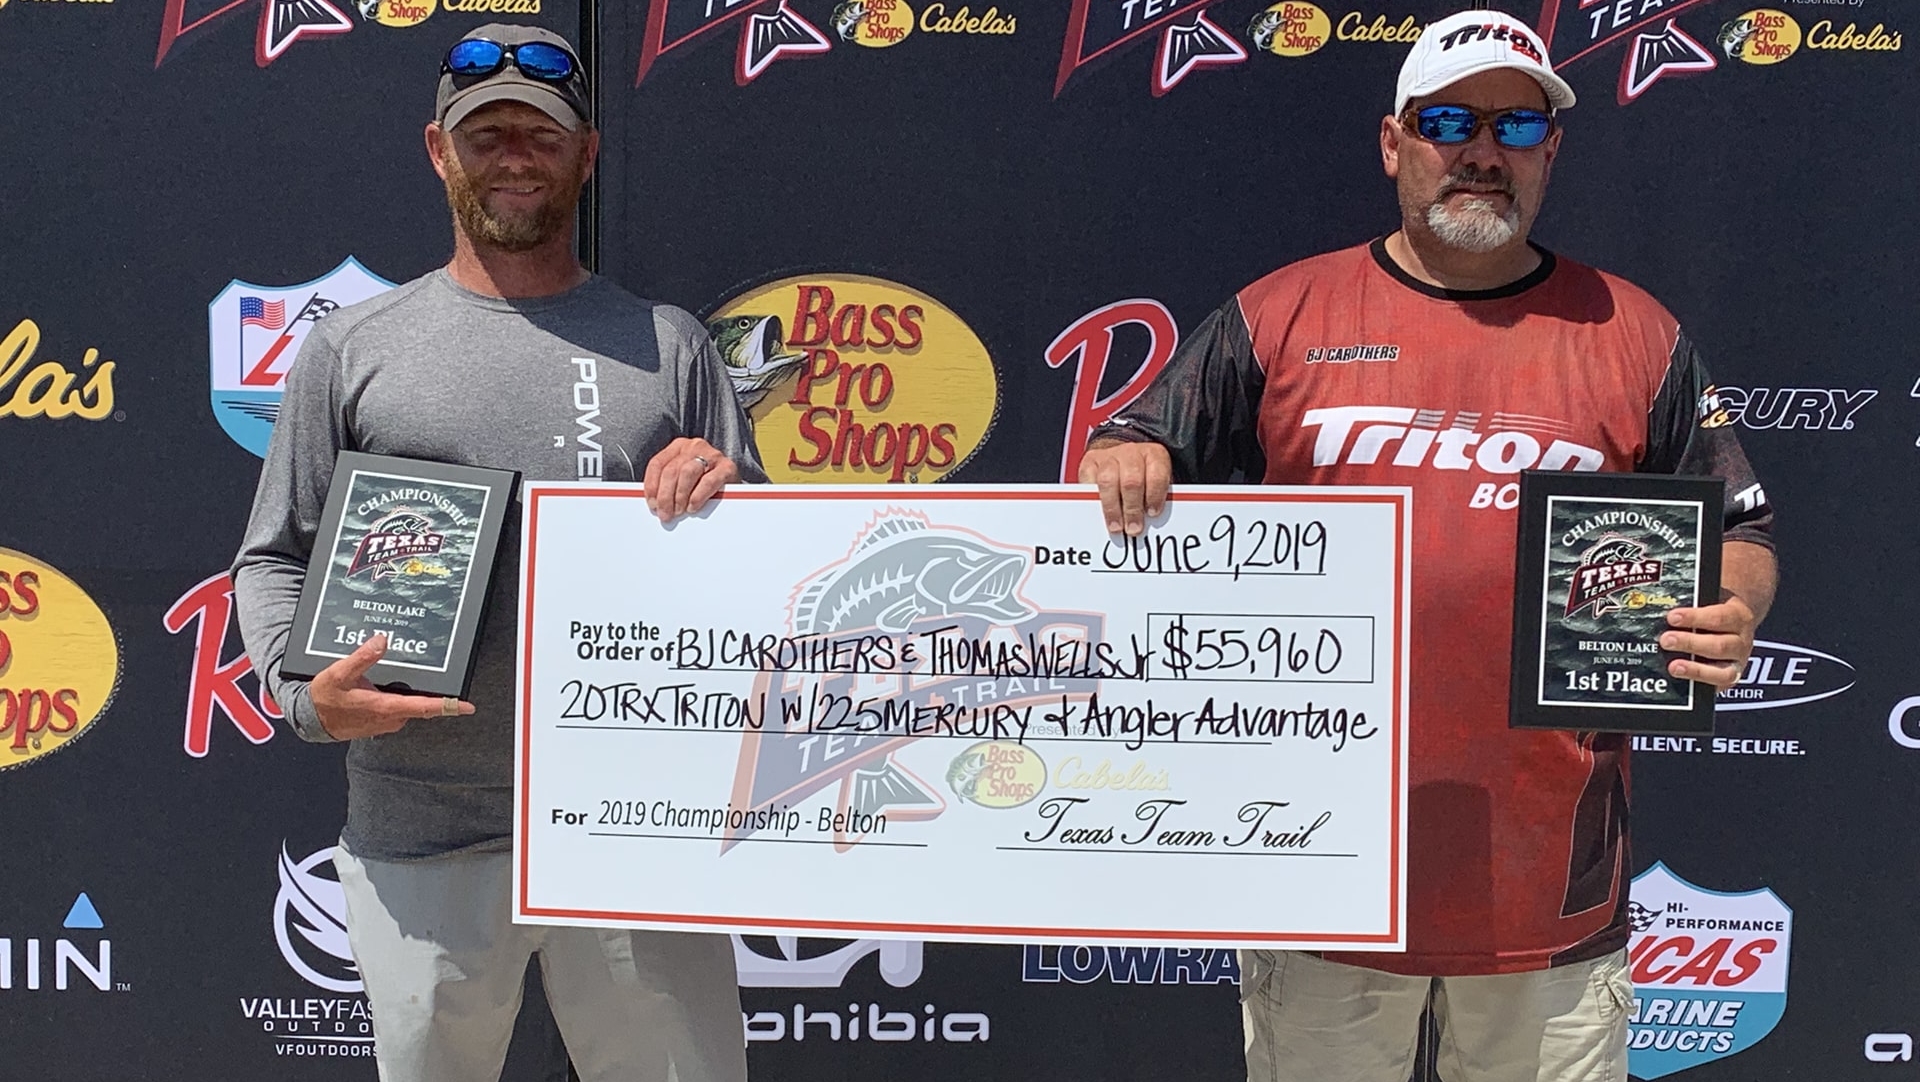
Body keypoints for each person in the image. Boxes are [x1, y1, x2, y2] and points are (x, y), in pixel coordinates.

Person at [1078, 9, 1776, 1081]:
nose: (1484, 151)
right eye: (1450, 122)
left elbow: (1736, 528)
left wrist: (1731, 609)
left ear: (1551, 152)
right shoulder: (1285, 311)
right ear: (1394, 142)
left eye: (1517, 127)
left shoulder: (1633, 330)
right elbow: (1134, 448)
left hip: (1550, 889)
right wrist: (1122, 454)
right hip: (1316, 866)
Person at [231, 24, 762, 1082]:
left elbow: (761, 579)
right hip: (421, 830)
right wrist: (305, 694)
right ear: (440, 151)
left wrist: (728, 491)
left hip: (635, 827)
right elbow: (275, 554)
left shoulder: (670, 345)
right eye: (486, 136)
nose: (515, 157)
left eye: (542, 136)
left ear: (587, 155)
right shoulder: (352, 347)